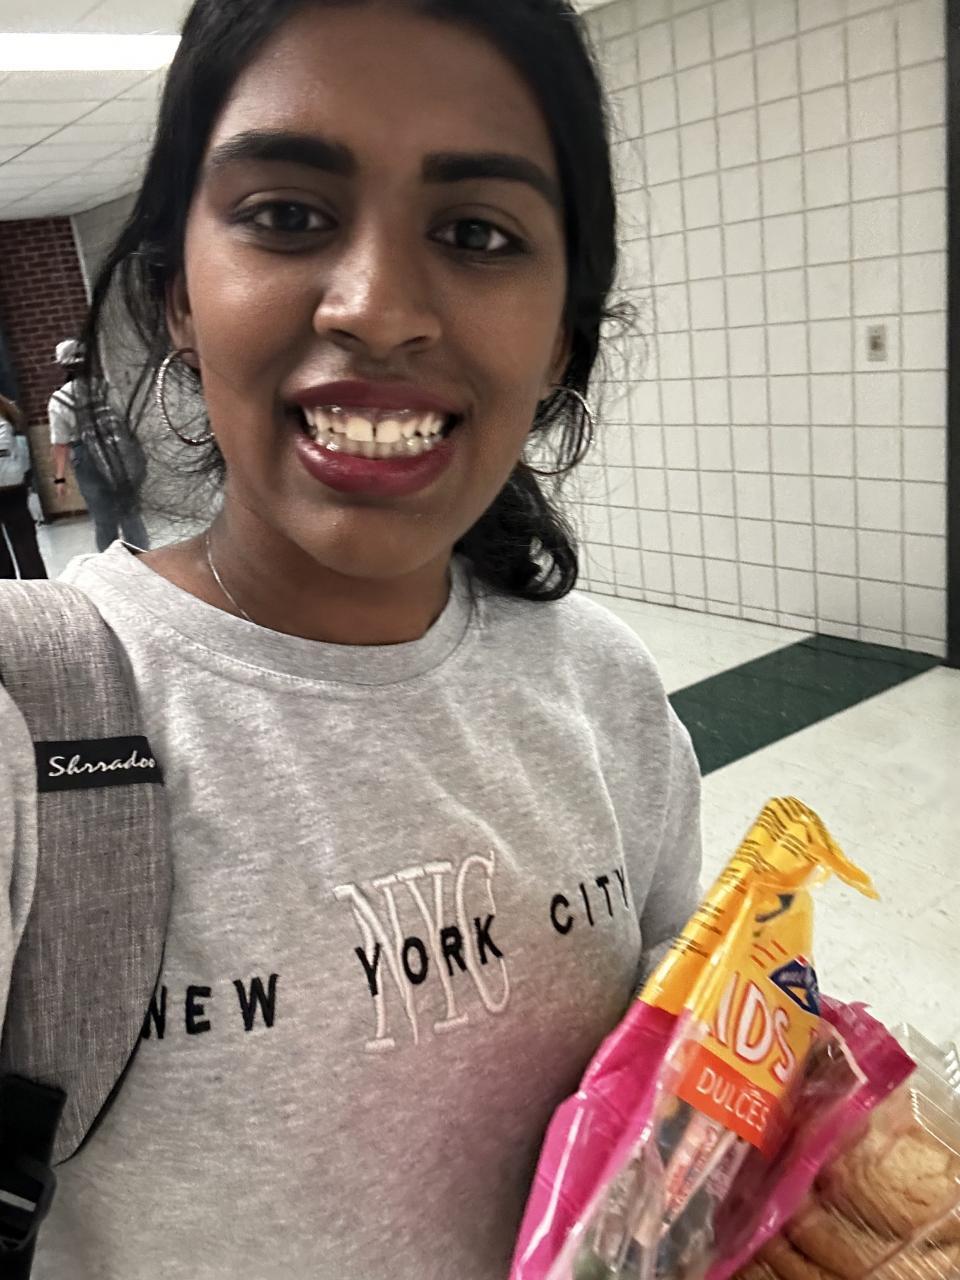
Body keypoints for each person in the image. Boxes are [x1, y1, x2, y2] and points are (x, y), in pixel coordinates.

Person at [0, 2, 702, 1277]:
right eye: (285, 214)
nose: (378, 309)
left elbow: (674, 1123)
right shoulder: (28, 725)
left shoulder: (606, 691)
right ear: (176, 293)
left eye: (478, 233)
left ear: (562, 332)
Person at [48, 339, 151, 552]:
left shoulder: (59, 399)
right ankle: (143, 559)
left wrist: (60, 478)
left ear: (63, 366)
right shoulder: (108, 387)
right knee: (130, 514)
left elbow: (60, 443)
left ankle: (110, 562)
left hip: (87, 458)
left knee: (104, 519)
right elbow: (128, 420)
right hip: (119, 452)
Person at [0, 391, 47, 579]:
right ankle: (37, 585)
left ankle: (8, 589)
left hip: (10, 486)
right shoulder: (10, 415)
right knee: (25, 543)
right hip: (14, 487)